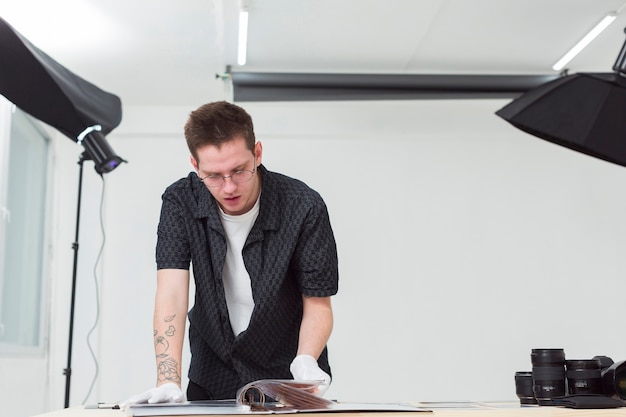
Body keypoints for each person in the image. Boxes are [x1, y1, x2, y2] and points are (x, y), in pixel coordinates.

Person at [124, 101, 339, 405]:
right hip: (212, 371)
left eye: (239, 171)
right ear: (195, 165)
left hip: (286, 377)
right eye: (213, 175)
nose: (228, 187)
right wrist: (167, 379)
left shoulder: (303, 206)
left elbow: (318, 302)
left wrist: (305, 360)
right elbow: (171, 292)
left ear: (258, 153)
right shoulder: (179, 202)